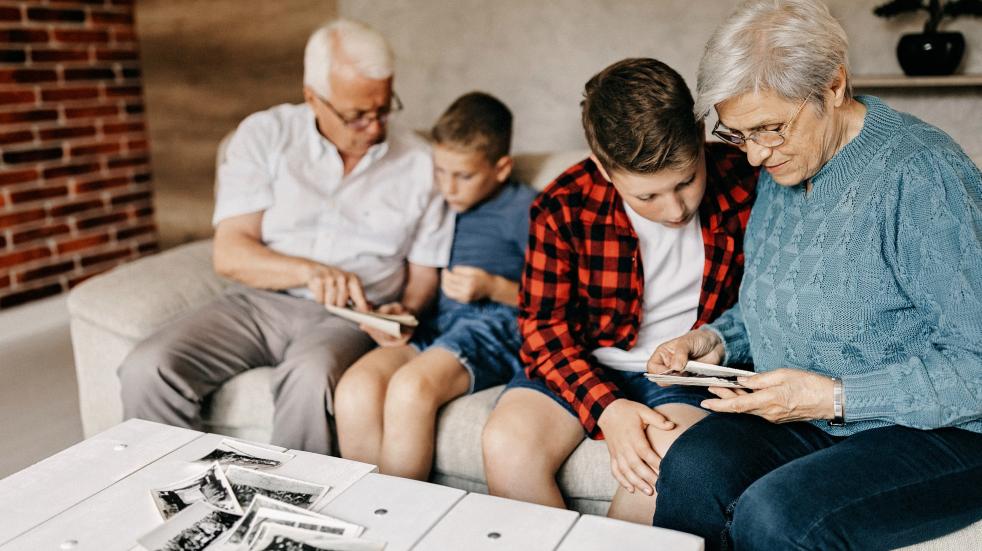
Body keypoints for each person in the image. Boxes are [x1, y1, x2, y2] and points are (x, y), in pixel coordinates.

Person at [649, 1, 982, 549]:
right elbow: (787, 297)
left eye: (769, 129)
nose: (754, 155)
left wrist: (832, 398)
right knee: (692, 468)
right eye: (738, 134)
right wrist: (714, 339)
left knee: (777, 515)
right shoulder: (787, 162)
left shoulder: (920, 174)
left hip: (936, 429)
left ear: (833, 86)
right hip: (815, 414)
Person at [116, 19, 454, 455]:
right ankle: (182, 503)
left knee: (310, 378)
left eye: (384, 109)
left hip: (349, 318)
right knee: (149, 367)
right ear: (313, 98)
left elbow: (425, 275)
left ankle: (291, 514)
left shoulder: (421, 163)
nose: (374, 127)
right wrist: (307, 270)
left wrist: (403, 310)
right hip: (257, 304)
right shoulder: (264, 136)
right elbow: (231, 251)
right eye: (356, 115)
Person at [481, 58, 758, 524]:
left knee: (657, 471)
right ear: (604, 170)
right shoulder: (563, 205)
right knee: (506, 442)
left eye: (687, 181)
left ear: (699, 138)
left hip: (689, 374)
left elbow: (767, 304)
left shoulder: (747, 180)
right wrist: (606, 407)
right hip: (587, 363)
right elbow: (542, 329)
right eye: (647, 197)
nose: (674, 209)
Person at [334, 92, 537, 480]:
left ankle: (398, 521)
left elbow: (560, 298)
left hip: (498, 326)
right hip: (439, 324)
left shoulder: (525, 209)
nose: (449, 187)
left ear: (501, 168)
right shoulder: (434, 203)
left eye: (464, 176)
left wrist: (494, 287)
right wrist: (403, 312)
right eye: (440, 172)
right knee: (356, 387)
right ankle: (363, 516)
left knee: (411, 388)